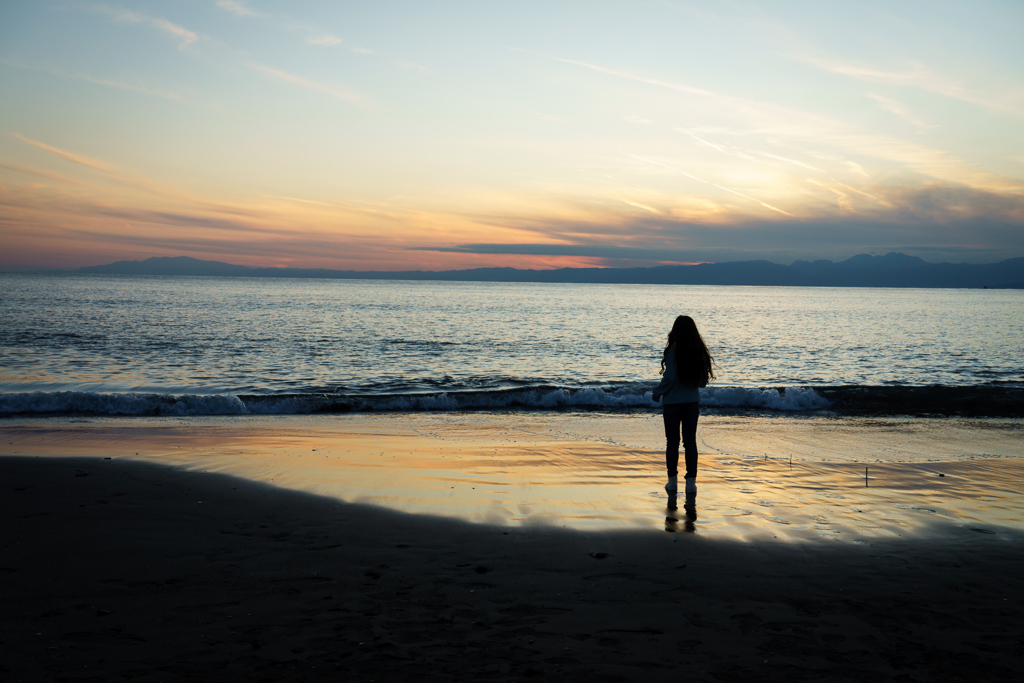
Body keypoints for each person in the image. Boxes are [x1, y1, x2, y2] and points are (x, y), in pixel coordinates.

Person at [652, 315, 715, 494]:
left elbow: (669, 378)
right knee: (690, 442)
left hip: (672, 404)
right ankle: (691, 483)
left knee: (672, 442)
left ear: (676, 332)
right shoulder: (699, 353)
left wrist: (657, 393)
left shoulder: (673, 353)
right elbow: (702, 383)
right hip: (691, 404)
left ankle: (672, 482)